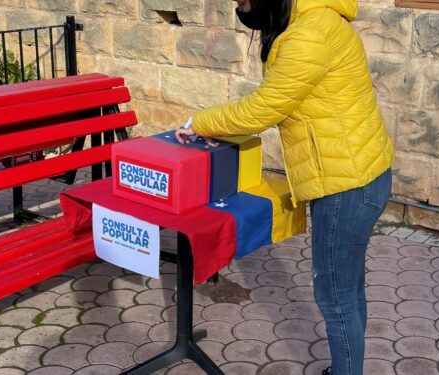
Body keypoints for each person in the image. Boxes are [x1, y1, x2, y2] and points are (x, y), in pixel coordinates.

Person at [175, 0, 394, 373]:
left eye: (244, 1)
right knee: (347, 289)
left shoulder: (307, 34)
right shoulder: (315, 18)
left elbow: (266, 107)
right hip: (360, 175)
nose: (240, 7)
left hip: (345, 186)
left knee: (335, 295)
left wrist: (202, 123)